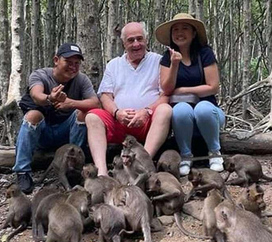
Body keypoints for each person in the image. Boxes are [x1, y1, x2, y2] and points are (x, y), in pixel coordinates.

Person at [85, 22, 172, 176]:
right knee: (92, 116)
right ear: (123, 43)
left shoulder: (159, 61)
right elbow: (105, 96)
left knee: (165, 110)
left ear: (146, 40)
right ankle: (102, 173)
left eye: (140, 39)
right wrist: (116, 112)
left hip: (148, 122)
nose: (136, 44)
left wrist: (146, 111)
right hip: (119, 122)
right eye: (131, 40)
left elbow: (165, 95)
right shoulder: (114, 64)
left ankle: (143, 162)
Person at [13, 43, 100, 194]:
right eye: (68, 62)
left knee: (84, 112)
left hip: (67, 134)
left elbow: (95, 102)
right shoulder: (40, 75)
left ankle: (74, 166)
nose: (73, 67)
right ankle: (22, 171)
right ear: (56, 60)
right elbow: (36, 95)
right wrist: (50, 98)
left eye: (76, 63)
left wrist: (70, 103)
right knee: (32, 116)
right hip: (44, 132)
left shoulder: (81, 80)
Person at [156, 13, 225, 176]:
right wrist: (174, 64)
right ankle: (186, 155)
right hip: (182, 120)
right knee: (180, 109)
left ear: (194, 33)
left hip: (209, 114)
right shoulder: (167, 57)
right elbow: (167, 89)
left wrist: (185, 90)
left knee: (202, 109)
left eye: (185, 28)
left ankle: (215, 153)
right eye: (176, 30)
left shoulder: (205, 53)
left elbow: (213, 87)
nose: (180, 33)